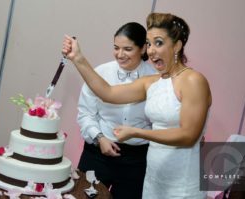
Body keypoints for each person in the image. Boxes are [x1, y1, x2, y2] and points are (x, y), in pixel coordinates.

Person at [62, 12, 211, 199]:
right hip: (154, 177)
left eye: (158, 43)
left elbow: (188, 136)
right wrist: (78, 58)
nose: (151, 51)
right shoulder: (153, 81)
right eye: (149, 44)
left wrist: (136, 132)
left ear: (177, 45)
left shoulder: (193, 80)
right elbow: (107, 92)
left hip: (181, 178)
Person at [77, 22, 157, 199]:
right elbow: (85, 114)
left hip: (136, 160)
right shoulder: (99, 73)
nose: (120, 55)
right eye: (116, 48)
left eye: (127, 49)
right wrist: (100, 138)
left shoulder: (155, 79)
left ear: (143, 49)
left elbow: (158, 121)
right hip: (97, 154)